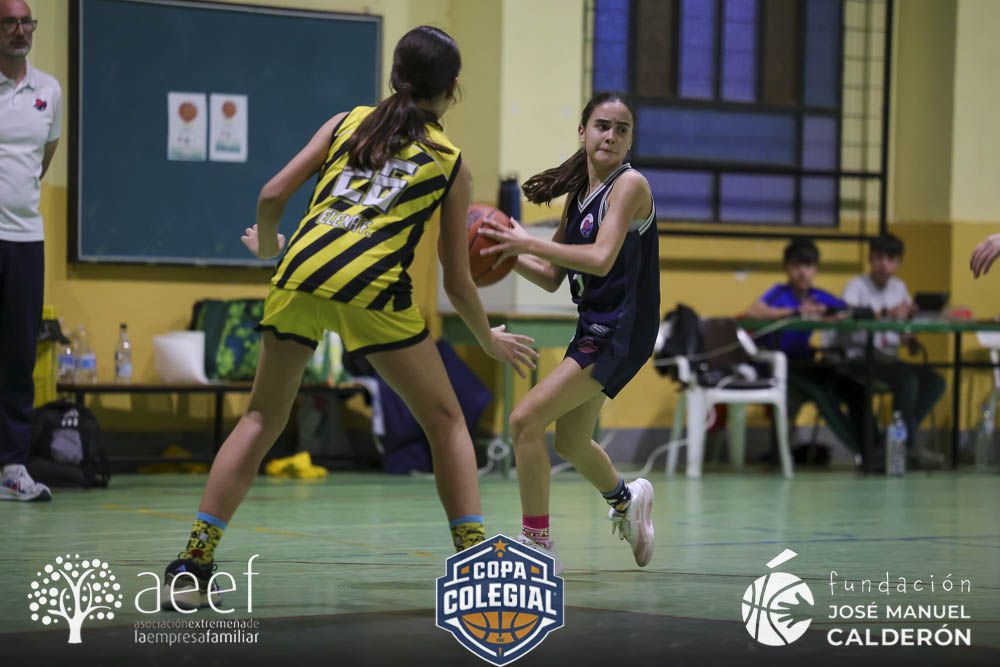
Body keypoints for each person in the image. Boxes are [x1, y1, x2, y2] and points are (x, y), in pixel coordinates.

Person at [161, 26, 539, 608]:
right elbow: (456, 278)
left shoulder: (347, 122)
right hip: (370, 286)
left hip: (301, 272)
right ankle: (473, 566)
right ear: (452, 89)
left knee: (260, 418)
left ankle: (192, 562)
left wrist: (269, 246)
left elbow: (271, 194)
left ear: (394, 75)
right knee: (446, 421)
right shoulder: (449, 161)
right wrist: (486, 337)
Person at [478, 92, 657, 574]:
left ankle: (537, 543)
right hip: (595, 325)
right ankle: (627, 500)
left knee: (524, 420)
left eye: (622, 129)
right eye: (602, 126)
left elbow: (599, 257)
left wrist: (527, 240)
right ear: (583, 132)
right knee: (571, 442)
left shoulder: (630, 185)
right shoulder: (579, 194)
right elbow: (552, 276)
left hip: (622, 328)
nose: (611, 136)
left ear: (630, 141)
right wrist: (506, 254)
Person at [0, 0, 59, 502]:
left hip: (26, 241)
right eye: (9, 23)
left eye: (26, 23)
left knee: (18, 356)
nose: (19, 31)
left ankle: (12, 467)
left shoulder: (49, 91)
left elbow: (44, 156)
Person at [746, 238, 874, 458]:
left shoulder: (818, 296)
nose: (802, 273)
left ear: (816, 269)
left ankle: (876, 447)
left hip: (807, 365)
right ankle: (862, 452)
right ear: (786, 268)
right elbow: (754, 312)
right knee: (821, 394)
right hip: (778, 368)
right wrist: (796, 312)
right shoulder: (779, 293)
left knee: (856, 389)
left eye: (808, 266)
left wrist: (828, 313)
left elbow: (850, 311)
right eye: (796, 266)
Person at [835, 234, 945, 460]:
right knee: (907, 379)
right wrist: (887, 313)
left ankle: (892, 440)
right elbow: (846, 315)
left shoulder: (899, 287)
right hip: (859, 358)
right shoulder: (856, 286)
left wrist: (909, 332)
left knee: (935, 381)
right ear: (869, 259)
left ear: (899, 263)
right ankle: (905, 448)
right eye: (878, 258)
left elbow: (901, 330)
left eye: (890, 259)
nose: (884, 264)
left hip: (889, 359)